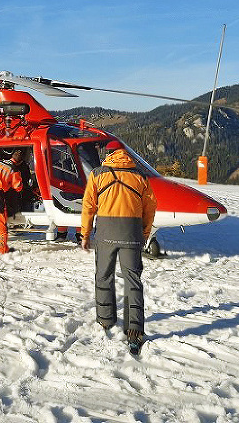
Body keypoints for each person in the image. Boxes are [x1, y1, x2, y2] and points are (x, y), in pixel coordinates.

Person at [80, 140, 156, 354]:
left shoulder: (97, 174)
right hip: (131, 233)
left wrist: (84, 234)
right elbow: (150, 208)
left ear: (108, 154)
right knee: (133, 281)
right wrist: (144, 233)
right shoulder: (141, 177)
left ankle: (105, 320)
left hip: (105, 233)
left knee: (103, 276)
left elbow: (88, 207)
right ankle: (135, 333)